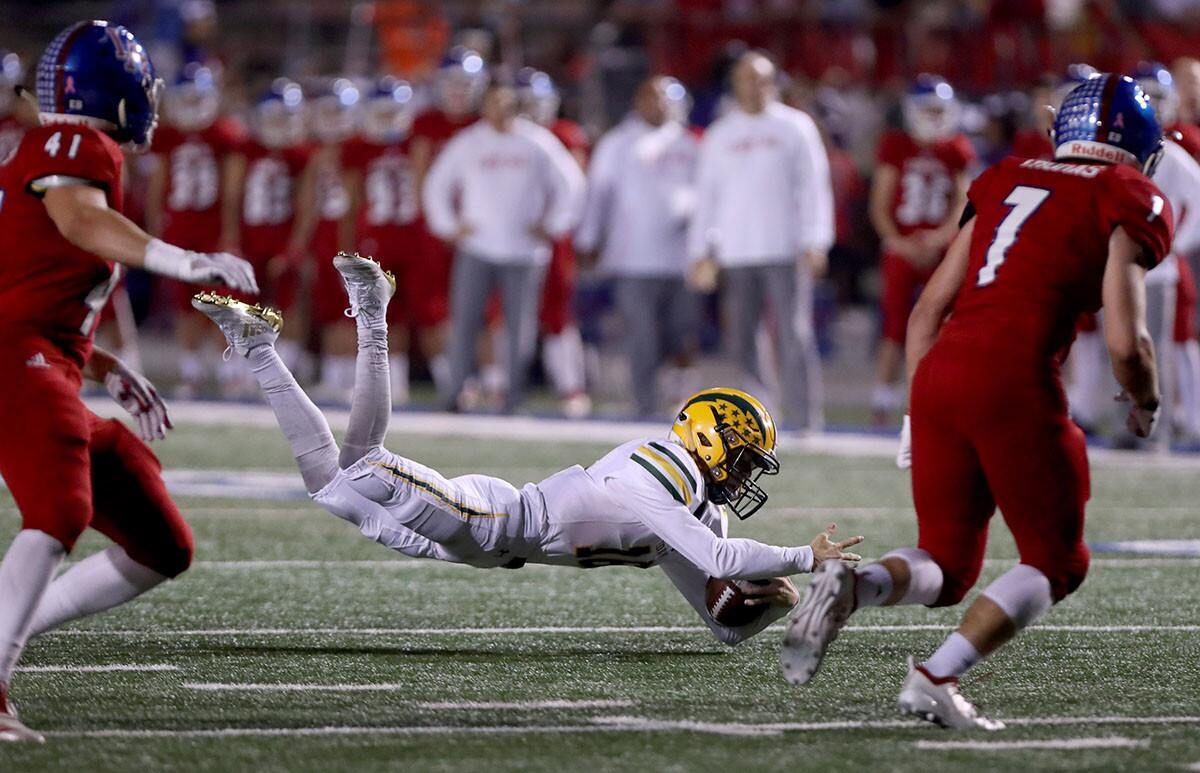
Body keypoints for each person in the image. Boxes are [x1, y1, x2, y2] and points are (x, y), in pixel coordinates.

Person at [191, 254, 864, 647]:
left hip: (495, 549)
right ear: (710, 437)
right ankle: (372, 305)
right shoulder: (660, 471)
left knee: (330, 486)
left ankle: (256, 348)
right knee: (364, 462)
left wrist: (772, 599)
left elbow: (722, 623)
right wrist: (806, 557)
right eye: (742, 457)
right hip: (495, 518)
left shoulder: (696, 512)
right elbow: (719, 559)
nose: (744, 476)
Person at [780, 75, 1173, 729]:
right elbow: (1126, 340)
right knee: (1057, 560)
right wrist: (1146, 401)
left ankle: (858, 583)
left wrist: (914, 413)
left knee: (949, 561)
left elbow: (927, 310)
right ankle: (936, 676)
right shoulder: (1125, 192)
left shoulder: (1007, 177)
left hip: (939, 372)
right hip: (1012, 376)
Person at [0, 20, 257, 743]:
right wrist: (185, 260)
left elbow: (28, 277)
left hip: (40, 352)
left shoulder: (54, 149)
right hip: (16, 355)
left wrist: (104, 362)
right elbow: (82, 220)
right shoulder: (75, 144)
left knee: (158, 539)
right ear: (110, 92)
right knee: (58, 508)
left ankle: (15, 620)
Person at [688, 51, 833, 431]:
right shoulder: (721, 132)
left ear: (773, 83)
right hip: (736, 251)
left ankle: (804, 418)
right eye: (745, 79)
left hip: (785, 247)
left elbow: (814, 186)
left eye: (761, 79)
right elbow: (707, 195)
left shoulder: (795, 126)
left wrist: (816, 239)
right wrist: (700, 249)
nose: (753, 87)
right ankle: (760, 419)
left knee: (794, 335)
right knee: (742, 340)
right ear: (735, 84)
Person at [423, 82, 585, 413]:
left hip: (525, 251)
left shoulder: (537, 141)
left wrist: (553, 225)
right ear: (484, 107)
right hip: (476, 248)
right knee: (464, 323)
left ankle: (513, 396)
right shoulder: (468, 142)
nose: (500, 111)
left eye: (506, 104)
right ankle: (455, 391)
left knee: (519, 329)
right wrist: (448, 227)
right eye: (493, 104)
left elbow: (572, 185)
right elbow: (436, 185)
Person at [576, 76, 700, 418]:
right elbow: (597, 195)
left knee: (682, 333)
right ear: (638, 101)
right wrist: (588, 239)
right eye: (651, 97)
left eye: (664, 98)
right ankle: (644, 404)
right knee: (641, 336)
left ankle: (682, 399)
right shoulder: (618, 143)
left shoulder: (689, 144)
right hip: (632, 257)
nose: (658, 104)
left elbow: (709, 195)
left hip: (682, 258)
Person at [868, 74, 974, 425]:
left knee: (943, 325)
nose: (932, 117)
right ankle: (882, 401)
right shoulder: (895, 146)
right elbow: (880, 203)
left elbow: (964, 202)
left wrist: (941, 237)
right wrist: (898, 241)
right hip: (901, 248)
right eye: (925, 109)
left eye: (937, 110)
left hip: (940, 248)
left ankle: (937, 396)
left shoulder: (956, 148)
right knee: (895, 326)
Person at [146, 63, 246, 397]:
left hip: (211, 227)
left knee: (222, 299)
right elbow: (157, 185)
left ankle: (227, 369)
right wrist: (154, 225)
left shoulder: (224, 133)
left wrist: (230, 232)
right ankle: (191, 370)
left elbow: (232, 190)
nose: (190, 105)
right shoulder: (169, 135)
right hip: (180, 225)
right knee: (183, 302)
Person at [407, 46, 488, 396]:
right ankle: (448, 380)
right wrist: (438, 221)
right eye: (451, 81)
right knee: (434, 306)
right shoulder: (426, 123)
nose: (457, 89)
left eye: (464, 82)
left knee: (485, 307)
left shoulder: (483, 123)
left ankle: (493, 380)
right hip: (436, 228)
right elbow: (419, 177)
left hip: (481, 227)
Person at [516, 68, 592, 419]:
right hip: (514, 236)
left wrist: (556, 224)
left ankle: (569, 386)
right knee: (509, 311)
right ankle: (503, 384)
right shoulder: (508, 135)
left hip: (554, 236)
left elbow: (576, 188)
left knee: (558, 312)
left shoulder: (564, 134)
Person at [340, 76, 419, 406]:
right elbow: (353, 199)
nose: (388, 118)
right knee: (371, 311)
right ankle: (372, 382)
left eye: (393, 111)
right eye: (381, 112)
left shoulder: (416, 140)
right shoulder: (358, 146)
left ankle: (396, 380)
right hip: (374, 235)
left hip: (412, 235)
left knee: (406, 312)